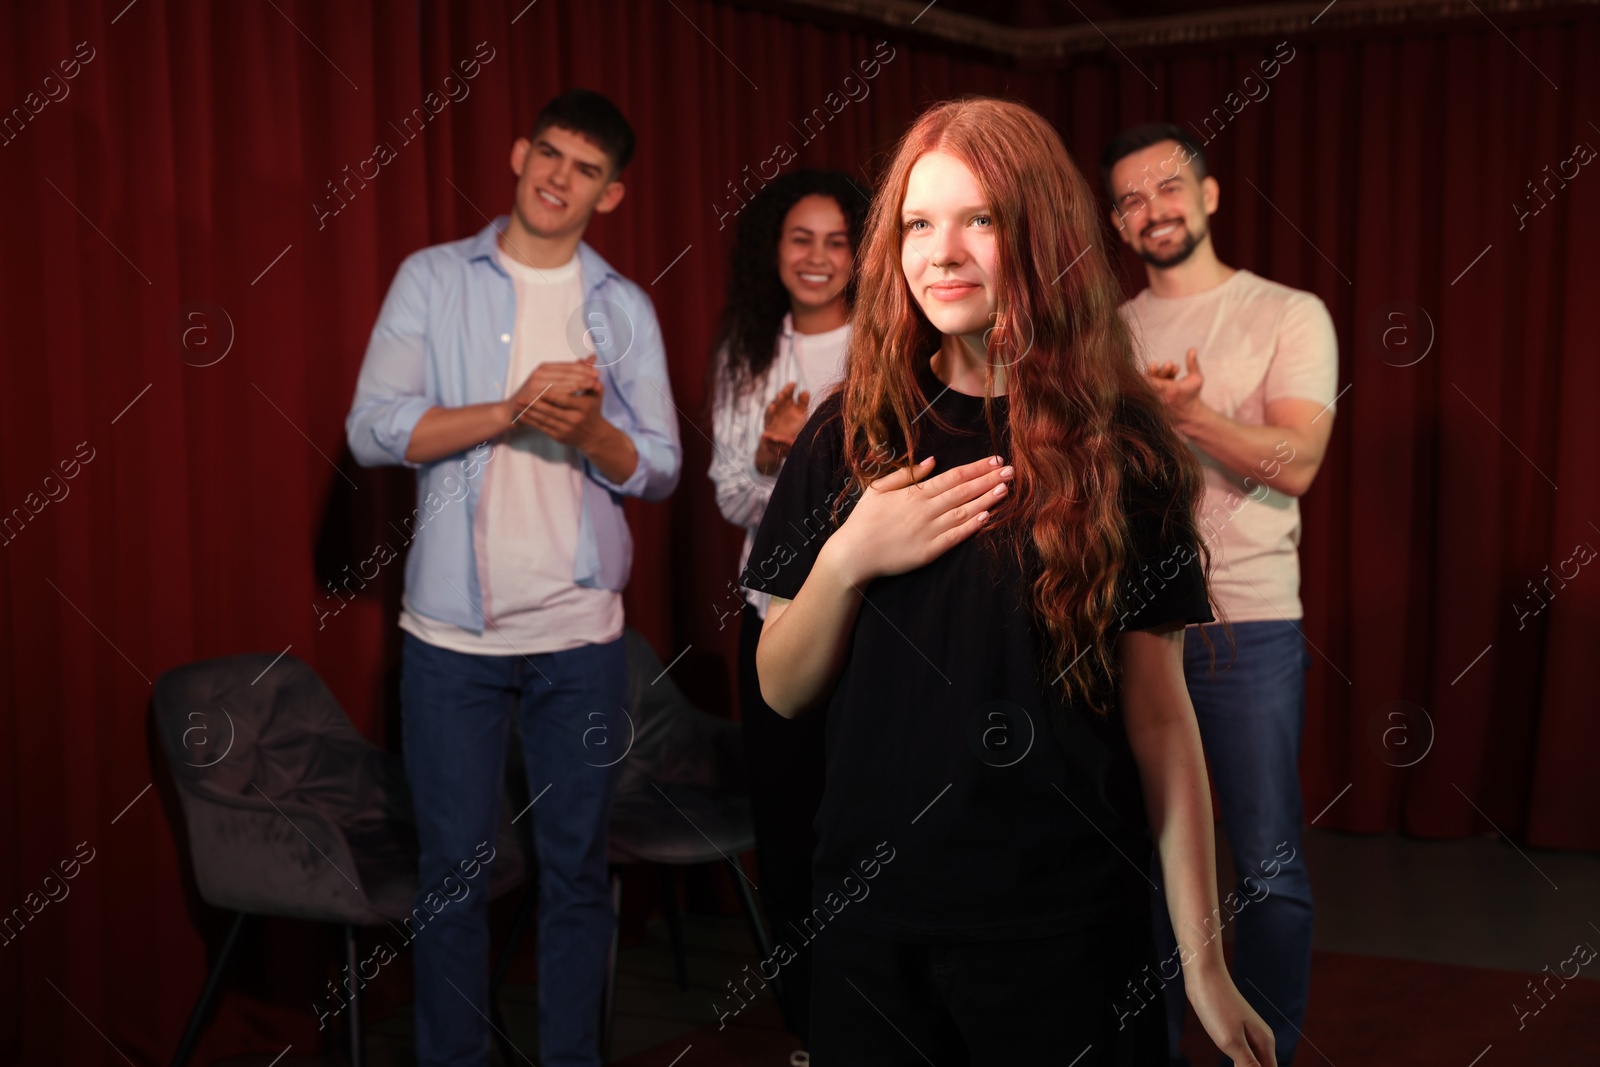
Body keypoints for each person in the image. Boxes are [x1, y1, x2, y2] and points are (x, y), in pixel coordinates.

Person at [741, 96, 1275, 1066]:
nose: (940, 251)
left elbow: (1159, 715)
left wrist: (1202, 959)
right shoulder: (846, 435)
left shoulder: (1127, 450)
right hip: (873, 919)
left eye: (977, 218)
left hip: (1063, 928)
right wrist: (850, 554)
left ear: (1040, 233)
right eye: (916, 223)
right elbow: (780, 685)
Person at [345, 88, 681, 1067]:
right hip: (451, 643)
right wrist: (510, 409)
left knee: (574, 870)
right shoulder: (433, 279)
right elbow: (372, 428)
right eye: (547, 153)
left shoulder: (622, 307)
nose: (556, 176)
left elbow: (657, 465)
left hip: (579, 638)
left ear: (609, 195)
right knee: (453, 873)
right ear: (515, 153)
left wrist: (592, 432)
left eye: (583, 167)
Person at [1100, 122, 1339, 1067]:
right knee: (1144, 870)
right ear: (1118, 223)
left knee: (1267, 869)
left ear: (1208, 196)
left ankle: (1263, 1053)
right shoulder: (1106, 330)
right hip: (1132, 629)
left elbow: (1299, 462)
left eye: (1167, 188)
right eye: (1128, 198)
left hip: (1249, 626)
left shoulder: (1286, 312)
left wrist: (1188, 414)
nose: (1150, 208)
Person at [706, 168, 865, 1064]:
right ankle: (810, 1023)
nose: (818, 257)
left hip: (874, 623)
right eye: (800, 239)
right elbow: (731, 497)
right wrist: (771, 461)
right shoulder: (746, 353)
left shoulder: (890, 345)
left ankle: (881, 1010)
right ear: (775, 249)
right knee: (789, 822)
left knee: (869, 816)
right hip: (772, 616)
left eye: (837, 240)